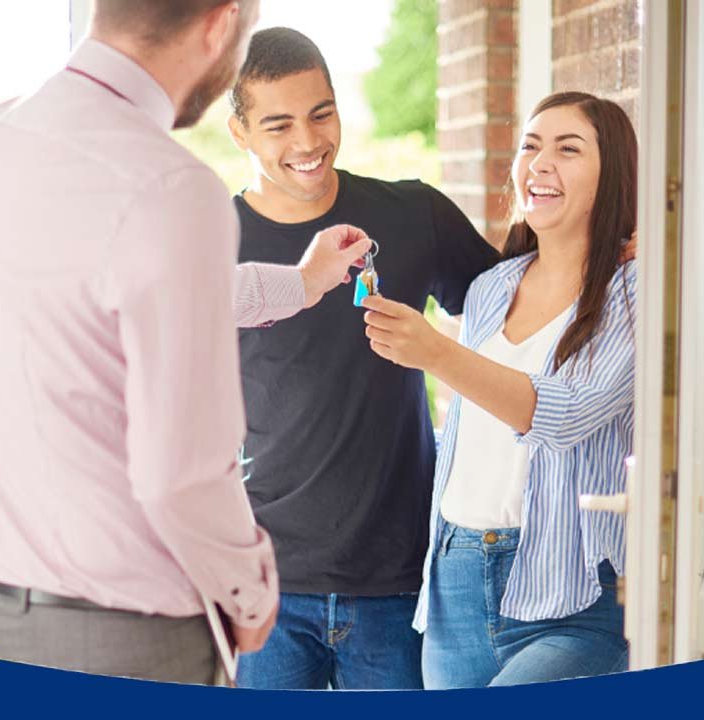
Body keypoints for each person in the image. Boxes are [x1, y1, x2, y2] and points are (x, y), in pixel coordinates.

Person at [0, 1, 370, 684]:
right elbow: (182, 472)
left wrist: (300, 283)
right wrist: (249, 589)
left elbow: (116, 298)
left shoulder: (2, 135)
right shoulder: (173, 186)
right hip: (123, 645)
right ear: (219, 23)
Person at [222, 28, 501, 690]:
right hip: (265, 587)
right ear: (239, 132)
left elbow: (512, 306)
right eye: (278, 124)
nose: (308, 142)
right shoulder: (213, 243)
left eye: (322, 112)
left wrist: (598, 248)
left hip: (396, 585)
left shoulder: (411, 215)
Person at [361, 92, 637, 687]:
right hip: (455, 584)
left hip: (572, 593)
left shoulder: (632, 288)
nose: (540, 163)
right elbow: (471, 427)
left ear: (612, 172)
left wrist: (435, 351)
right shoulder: (492, 286)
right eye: (530, 146)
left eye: (568, 149)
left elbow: (565, 414)